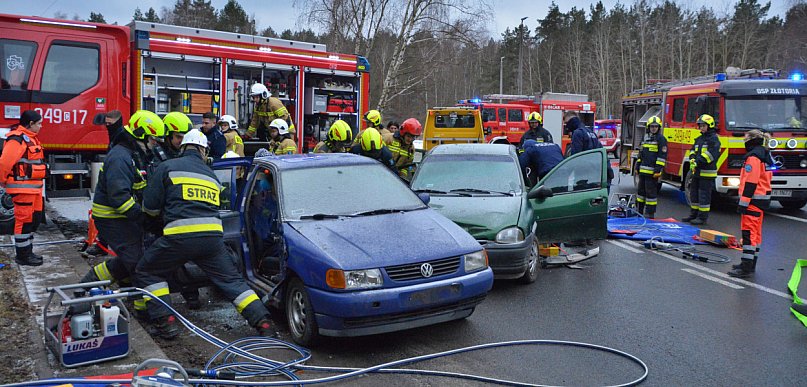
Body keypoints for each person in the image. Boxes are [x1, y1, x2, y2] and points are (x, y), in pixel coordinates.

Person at [135, 129, 277, 339]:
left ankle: (166, 321)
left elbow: (150, 208)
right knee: (232, 282)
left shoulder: (167, 167)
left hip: (178, 237)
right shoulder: (211, 176)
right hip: (212, 239)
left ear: (183, 147)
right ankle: (264, 323)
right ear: (203, 150)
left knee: (147, 270)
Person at [81, 111, 162, 287]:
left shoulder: (132, 153)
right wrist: (143, 219)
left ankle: (89, 286)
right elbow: (119, 197)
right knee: (137, 261)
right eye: (153, 139)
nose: (155, 144)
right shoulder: (121, 157)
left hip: (121, 217)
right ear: (141, 134)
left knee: (132, 259)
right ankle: (141, 306)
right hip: (112, 218)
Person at [0, 110, 46, 266]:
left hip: (34, 189)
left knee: (34, 220)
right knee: (24, 221)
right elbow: (4, 163)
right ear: (30, 124)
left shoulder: (31, 139)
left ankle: (28, 252)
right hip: (22, 189)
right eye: (39, 123)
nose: (41, 126)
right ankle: (23, 256)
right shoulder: (17, 140)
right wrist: (2, 181)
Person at [728, 129, 772, 278]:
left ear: (751, 140)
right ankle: (751, 263)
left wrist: (743, 203)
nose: (744, 142)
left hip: (753, 200)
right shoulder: (764, 154)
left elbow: (751, 182)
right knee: (756, 234)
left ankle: (745, 268)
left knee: (748, 234)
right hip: (761, 199)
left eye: (746, 139)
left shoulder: (753, 157)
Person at [682, 114, 720, 225]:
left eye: (703, 126)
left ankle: (702, 218)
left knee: (704, 196)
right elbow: (693, 150)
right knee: (694, 194)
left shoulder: (713, 140)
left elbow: (710, 155)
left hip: (707, 173)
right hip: (697, 172)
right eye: (700, 126)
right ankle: (693, 214)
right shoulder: (699, 139)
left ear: (710, 126)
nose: (701, 128)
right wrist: (692, 158)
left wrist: (698, 161)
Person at [635, 116, 667, 219]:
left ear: (659, 127)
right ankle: (639, 211)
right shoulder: (645, 138)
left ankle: (650, 213)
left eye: (655, 126)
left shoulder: (661, 139)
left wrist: (658, 169)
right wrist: (637, 165)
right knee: (640, 193)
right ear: (648, 127)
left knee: (651, 194)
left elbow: (662, 156)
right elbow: (640, 154)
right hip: (643, 172)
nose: (653, 128)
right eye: (652, 126)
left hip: (652, 173)